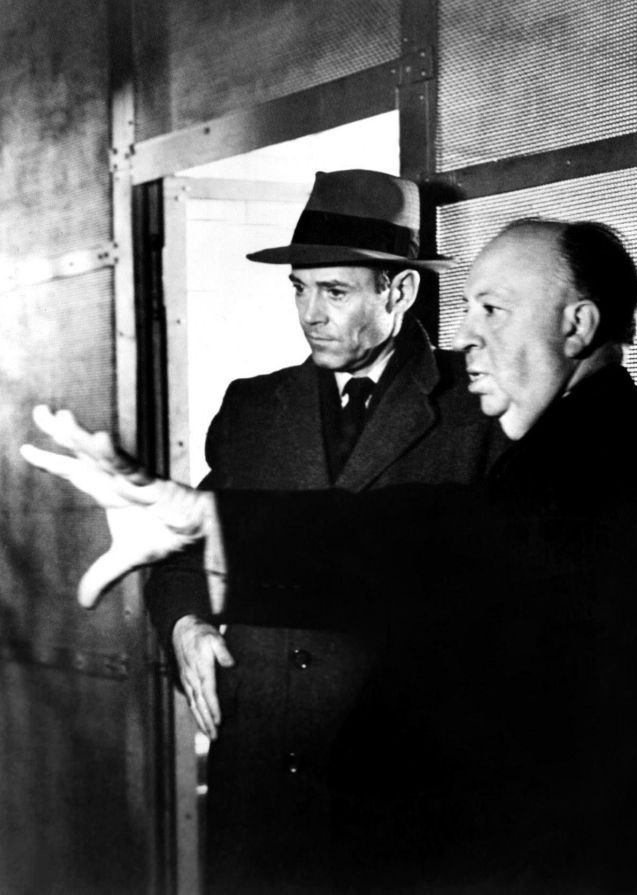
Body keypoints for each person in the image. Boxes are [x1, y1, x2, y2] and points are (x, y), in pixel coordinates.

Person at [22, 218, 637, 894]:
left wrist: (202, 520)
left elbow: (432, 541)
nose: (465, 334)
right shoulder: (591, 435)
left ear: (577, 326)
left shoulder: (606, 450)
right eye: (466, 307)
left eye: (493, 310)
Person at [144, 168, 505, 893]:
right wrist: (185, 624)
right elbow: (185, 551)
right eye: (299, 290)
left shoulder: (479, 410)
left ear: (399, 292)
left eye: (334, 292)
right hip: (259, 797)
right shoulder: (253, 408)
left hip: (399, 800)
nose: (310, 314)